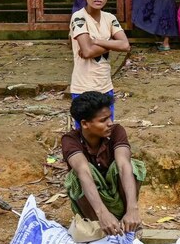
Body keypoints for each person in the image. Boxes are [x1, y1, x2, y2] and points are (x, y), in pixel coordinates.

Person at [61, 91, 145, 235]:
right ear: (85, 124)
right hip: (94, 209)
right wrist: (102, 214)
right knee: (77, 175)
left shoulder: (116, 131)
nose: (110, 123)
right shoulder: (70, 140)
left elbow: (124, 166)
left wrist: (133, 208)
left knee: (132, 165)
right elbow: (83, 172)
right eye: (103, 120)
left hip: (119, 201)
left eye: (110, 117)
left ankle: (129, 222)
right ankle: (99, 227)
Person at [69, 0, 130, 129]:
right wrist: (111, 43)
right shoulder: (78, 17)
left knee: (106, 130)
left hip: (105, 86)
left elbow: (125, 45)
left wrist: (96, 41)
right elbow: (88, 51)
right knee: (84, 134)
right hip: (83, 88)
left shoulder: (110, 18)